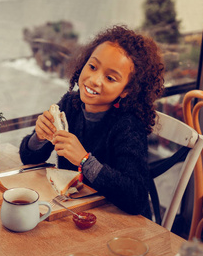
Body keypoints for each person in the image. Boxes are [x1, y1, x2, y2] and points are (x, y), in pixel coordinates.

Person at [19, 25, 164, 218]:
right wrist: (39, 138)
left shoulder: (128, 126)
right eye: (93, 66)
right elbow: (29, 159)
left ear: (126, 90)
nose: (94, 80)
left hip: (119, 224)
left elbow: (135, 198)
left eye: (110, 78)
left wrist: (84, 160)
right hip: (75, 211)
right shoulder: (71, 104)